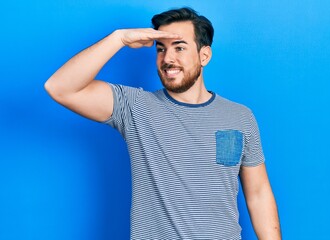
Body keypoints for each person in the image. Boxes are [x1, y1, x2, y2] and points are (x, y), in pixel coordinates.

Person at [45, 7, 281, 240]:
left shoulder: (239, 117)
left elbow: (258, 193)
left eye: (179, 48)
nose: (168, 59)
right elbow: (60, 87)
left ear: (204, 55)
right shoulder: (135, 107)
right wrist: (119, 38)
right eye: (161, 49)